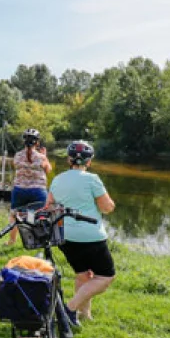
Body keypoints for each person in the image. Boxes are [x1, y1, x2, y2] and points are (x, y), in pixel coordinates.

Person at [47, 140, 116, 326]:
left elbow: (48, 206)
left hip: (65, 237)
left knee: (83, 275)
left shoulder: (57, 179)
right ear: (89, 161)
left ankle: (84, 314)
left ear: (69, 159)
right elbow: (107, 207)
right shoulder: (92, 179)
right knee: (106, 277)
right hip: (91, 237)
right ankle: (69, 309)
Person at [8, 128, 52, 243]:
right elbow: (48, 170)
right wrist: (45, 156)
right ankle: (34, 240)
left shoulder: (17, 155)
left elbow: (16, 166)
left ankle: (12, 241)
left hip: (20, 190)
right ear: (37, 143)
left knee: (14, 215)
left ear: (24, 141)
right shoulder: (41, 157)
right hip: (38, 191)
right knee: (36, 215)